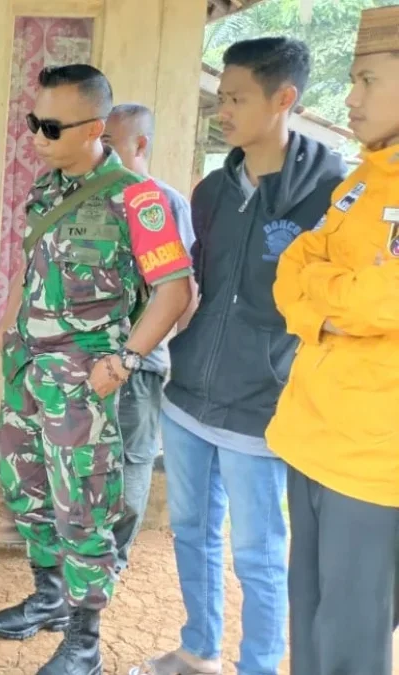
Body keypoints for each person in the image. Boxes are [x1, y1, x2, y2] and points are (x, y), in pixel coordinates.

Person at [131, 38, 347, 675]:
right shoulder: (212, 191)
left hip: (265, 405)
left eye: (236, 97)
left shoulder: (331, 194)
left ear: (284, 99)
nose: (222, 109)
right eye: (220, 96)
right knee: (192, 531)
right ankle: (199, 650)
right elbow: (193, 284)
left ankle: (257, 666)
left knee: (258, 551)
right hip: (190, 392)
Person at [0, 64, 194, 675]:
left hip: (84, 387)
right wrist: (7, 319)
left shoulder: (138, 199)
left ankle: (84, 641)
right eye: (34, 122)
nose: (37, 136)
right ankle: (50, 597)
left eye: (50, 126)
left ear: (95, 129)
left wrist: (126, 361)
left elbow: (175, 292)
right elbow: (31, 265)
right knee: (25, 492)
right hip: (28, 375)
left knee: (83, 508)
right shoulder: (48, 189)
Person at [266, 7, 399, 674]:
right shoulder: (361, 181)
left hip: (375, 461)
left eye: (367, 79)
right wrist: (337, 299)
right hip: (310, 433)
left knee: (352, 634)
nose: (351, 97)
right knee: (311, 616)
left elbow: (389, 297)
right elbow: (291, 268)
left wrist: (329, 295)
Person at [100, 103, 198, 574]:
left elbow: (181, 291)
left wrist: (170, 357)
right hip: (87, 359)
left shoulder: (160, 203)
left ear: (140, 145)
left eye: (110, 144)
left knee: (132, 458)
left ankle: (113, 558)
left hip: (138, 363)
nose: (101, 154)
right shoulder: (95, 198)